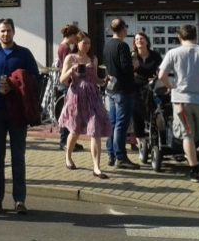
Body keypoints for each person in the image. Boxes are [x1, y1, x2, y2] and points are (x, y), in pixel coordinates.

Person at [0, 18, 40, 215]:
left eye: (8, 30)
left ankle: (19, 200)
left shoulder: (24, 54)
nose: (5, 34)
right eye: (2, 31)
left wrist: (15, 85)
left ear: (14, 32)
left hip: (17, 113)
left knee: (18, 157)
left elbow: (35, 80)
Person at [158, 24, 199, 182]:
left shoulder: (173, 53)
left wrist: (171, 86)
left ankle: (194, 170)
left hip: (182, 100)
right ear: (196, 36)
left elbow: (161, 75)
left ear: (179, 37)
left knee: (188, 135)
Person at [58, 31, 111, 178]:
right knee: (75, 130)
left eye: (89, 43)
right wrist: (71, 70)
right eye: (84, 43)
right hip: (76, 97)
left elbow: (95, 79)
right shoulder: (70, 57)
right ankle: (68, 156)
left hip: (92, 97)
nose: (87, 46)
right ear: (77, 43)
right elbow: (62, 80)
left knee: (95, 129)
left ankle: (97, 167)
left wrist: (104, 80)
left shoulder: (93, 59)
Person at [103, 18, 139, 169]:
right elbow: (126, 68)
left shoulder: (107, 45)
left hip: (111, 89)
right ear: (123, 29)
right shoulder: (122, 46)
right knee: (121, 125)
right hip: (123, 90)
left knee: (113, 123)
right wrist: (134, 66)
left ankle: (111, 154)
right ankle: (121, 156)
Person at [131, 32, 162, 155]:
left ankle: (155, 137)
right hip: (136, 87)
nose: (139, 41)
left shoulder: (155, 55)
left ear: (147, 41)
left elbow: (161, 70)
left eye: (141, 38)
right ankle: (140, 141)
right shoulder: (133, 56)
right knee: (136, 113)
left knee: (153, 112)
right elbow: (128, 71)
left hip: (151, 87)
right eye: (137, 39)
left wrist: (156, 78)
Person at [57, 24, 82, 152]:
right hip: (67, 83)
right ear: (71, 35)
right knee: (68, 112)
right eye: (75, 37)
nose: (76, 40)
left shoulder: (63, 46)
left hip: (66, 82)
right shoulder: (65, 48)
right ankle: (64, 141)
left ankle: (69, 141)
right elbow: (67, 65)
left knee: (69, 112)